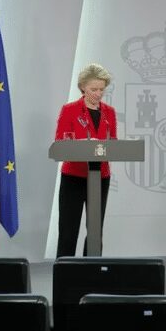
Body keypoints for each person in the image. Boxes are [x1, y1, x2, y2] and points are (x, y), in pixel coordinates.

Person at [55, 63, 118, 257]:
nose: (98, 94)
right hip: (73, 177)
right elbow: (60, 142)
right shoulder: (69, 110)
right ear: (83, 87)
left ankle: (92, 273)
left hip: (100, 177)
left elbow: (113, 144)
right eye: (94, 89)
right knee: (68, 231)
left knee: (95, 233)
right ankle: (65, 275)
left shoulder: (109, 112)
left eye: (102, 89)